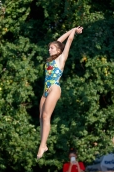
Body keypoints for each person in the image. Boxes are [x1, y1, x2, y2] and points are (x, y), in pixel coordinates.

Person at [37, 26, 83, 159]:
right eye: (49, 47)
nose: (49, 49)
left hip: (54, 88)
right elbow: (58, 41)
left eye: (52, 48)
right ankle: (43, 144)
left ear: (58, 50)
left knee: (46, 116)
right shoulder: (51, 59)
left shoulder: (61, 58)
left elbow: (67, 41)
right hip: (45, 90)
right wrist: (72, 28)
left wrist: (74, 31)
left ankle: (43, 145)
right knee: (41, 117)